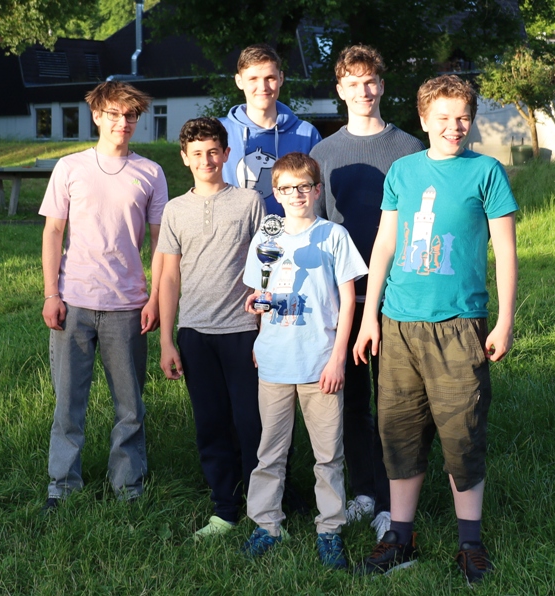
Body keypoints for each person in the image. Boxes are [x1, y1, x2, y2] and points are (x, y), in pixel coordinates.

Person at [353, 74, 518, 584]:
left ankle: (470, 544)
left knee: (462, 432)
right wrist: (369, 317)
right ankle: (400, 537)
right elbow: (385, 245)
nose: (454, 126)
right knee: (398, 431)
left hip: (458, 326)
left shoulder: (486, 172)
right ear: (423, 119)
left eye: (463, 117)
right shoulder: (403, 171)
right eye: (443, 117)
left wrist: (505, 320)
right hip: (399, 324)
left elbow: (505, 251)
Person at [310, 44, 424, 541]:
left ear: (382, 85)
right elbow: (314, 228)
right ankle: (362, 491)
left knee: (393, 402)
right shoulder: (323, 153)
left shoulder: (410, 148)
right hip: (343, 299)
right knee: (352, 401)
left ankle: (391, 496)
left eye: (371, 81)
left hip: (397, 296)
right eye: (353, 83)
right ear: (340, 90)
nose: (364, 91)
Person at [39, 80, 168, 511]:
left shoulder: (151, 173)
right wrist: (51, 294)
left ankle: (128, 486)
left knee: (130, 406)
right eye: (113, 114)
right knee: (68, 403)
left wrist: (154, 298)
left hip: (128, 305)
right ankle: (62, 485)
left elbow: (160, 243)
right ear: (96, 115)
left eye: (130, 115)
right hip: (74, 301)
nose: (122, 122)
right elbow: (53, 231)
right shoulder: (70, 167)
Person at [240, 153, 368, 569]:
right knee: (270, 451)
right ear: (275, 194)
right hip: (274, 360)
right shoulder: (267, 236)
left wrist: (338, 359)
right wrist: (257, 315)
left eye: (304, 187)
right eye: (286, 188)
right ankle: (267, 524)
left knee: (327, 454)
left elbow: (348, 302)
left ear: (317, 190)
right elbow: (258, 294)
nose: (296, 195)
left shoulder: (333, 236)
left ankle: (329, 529)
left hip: (319, 361)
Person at [157, 117, 265, 538]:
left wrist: (265, 330)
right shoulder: (175, 209)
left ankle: (264, 506)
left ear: (227, 153)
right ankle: (225, 508)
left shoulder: (249, 201)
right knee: (211, 423)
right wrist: (167, 340)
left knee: (252, 423)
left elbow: (267, 267)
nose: (207, 160)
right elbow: (169, 277)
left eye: (214, 151)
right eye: (197, 153)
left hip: (244, 330)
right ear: (185, 158)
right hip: (195, 333)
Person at [221, 43, 322, 218]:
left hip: (292, 233)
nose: (263, 87)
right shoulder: (220, 132)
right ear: (239, 81)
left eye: (270, 78)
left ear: (281, 78)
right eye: (253, 79)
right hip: (234, 233)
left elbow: (319, 195)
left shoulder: (307, 134)